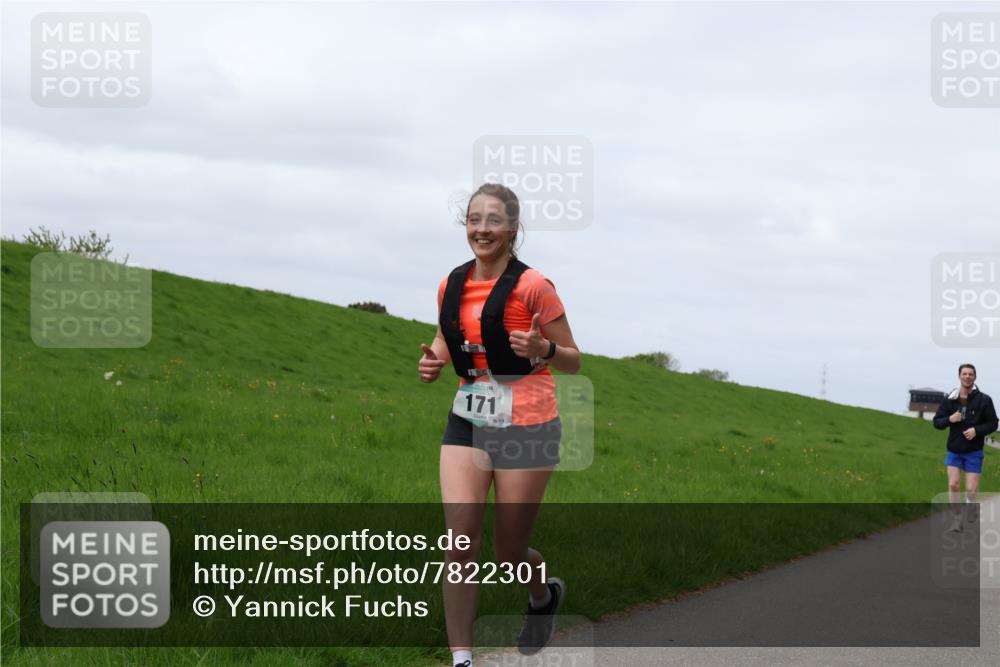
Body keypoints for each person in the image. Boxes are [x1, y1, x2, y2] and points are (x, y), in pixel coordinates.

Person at [418, 183, 581, 667]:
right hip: (468, 419)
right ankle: (462, 659)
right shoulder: (452, 283)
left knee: (508, 553)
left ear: (512, 229)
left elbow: (573, 359)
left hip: (528, 425)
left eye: (492, 221)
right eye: (473, 220)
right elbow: (451, 337)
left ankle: (542, 595)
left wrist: (543, 351)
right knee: (461, 542)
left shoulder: (535, 287)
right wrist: (434, 361)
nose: (481, 229)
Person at [933, 364, 999, 532]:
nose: (967, 376)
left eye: (971, 374)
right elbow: (937, 423)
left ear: (975, 377)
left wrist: (977, 430)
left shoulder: (984, 400)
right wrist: (950, 419)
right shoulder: (950, 399)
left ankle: (972, 505)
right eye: (964, 374)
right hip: (954, 450)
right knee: (954, 484)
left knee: (970, 490)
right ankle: (957, 520)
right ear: (959, 376)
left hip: (974, 451)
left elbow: (993, 423)